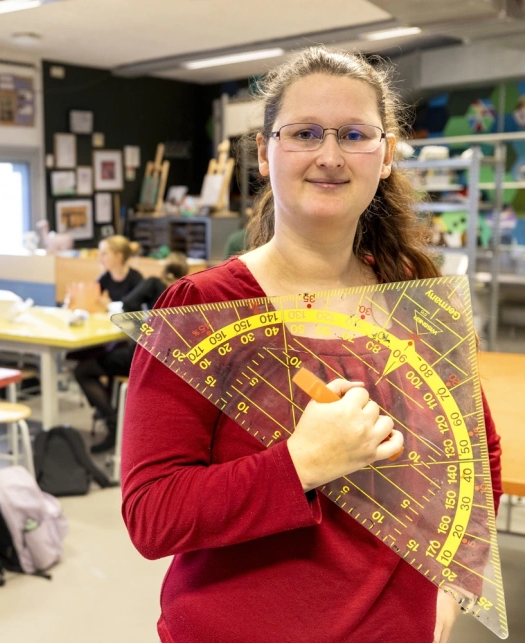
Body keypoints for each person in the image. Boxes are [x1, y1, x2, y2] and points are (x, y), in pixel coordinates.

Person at [121, 47, 503, 643]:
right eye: (304, 133)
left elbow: (478, 459)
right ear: (265, 153)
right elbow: (153, 514)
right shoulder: (201, 308)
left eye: (354, 134)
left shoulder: (412, 302)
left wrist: (454, 582)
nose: (329, 156)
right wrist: (301, 464)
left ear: (386, 156)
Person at [76, 253, 188, 453]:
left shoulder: (154, 283)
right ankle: (114, 417)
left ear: (163, 270)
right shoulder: (187, 291)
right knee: (111, 358)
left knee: (84, 369)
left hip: (145, 358)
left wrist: (144, 326)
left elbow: (128, 305)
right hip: (174, 364)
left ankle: (112, 422)